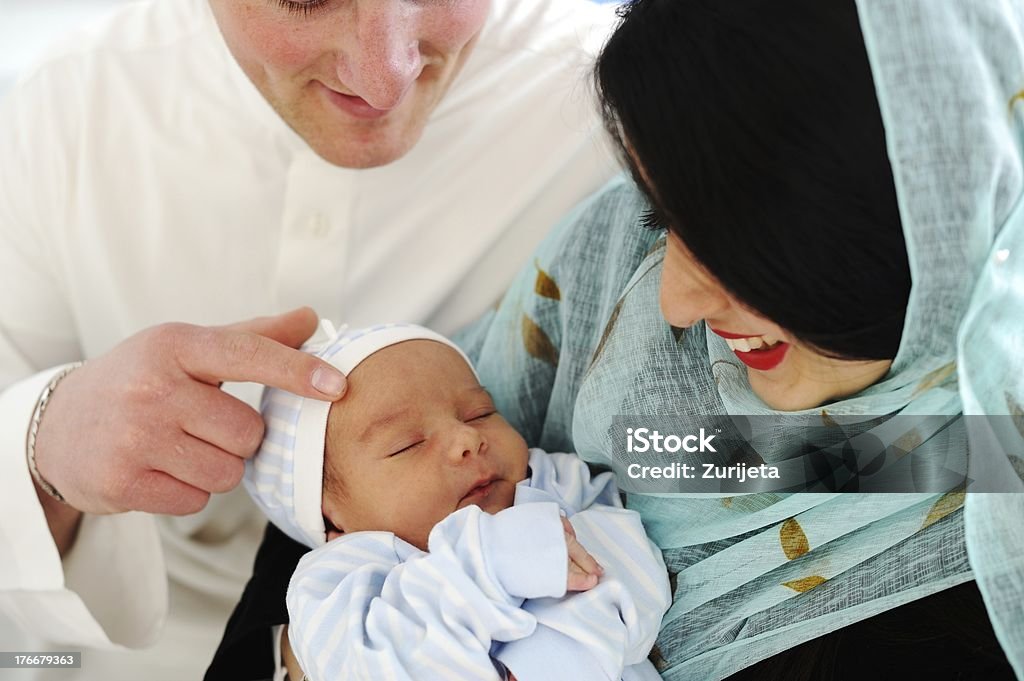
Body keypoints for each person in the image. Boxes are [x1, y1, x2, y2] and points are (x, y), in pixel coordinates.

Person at [222, 0, 1024, 678]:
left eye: (743, 255)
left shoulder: (983, 553)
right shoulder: (603, 271)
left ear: (930, 228)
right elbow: (339, 479)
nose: (671, 299)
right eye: (663, 219)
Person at [0, 0, 621, 678]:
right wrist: (43, 444)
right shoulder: (57, 112)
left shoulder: (620, 111)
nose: (385, 78)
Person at [237, 322, 670, 681]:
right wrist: (488, 562)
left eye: (479, 412)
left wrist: (548, 658)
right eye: (407, 444)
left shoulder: (555, 485)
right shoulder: (335, 584)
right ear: (334, 522)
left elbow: (635, 569)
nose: (468, 439)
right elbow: (373, 664)